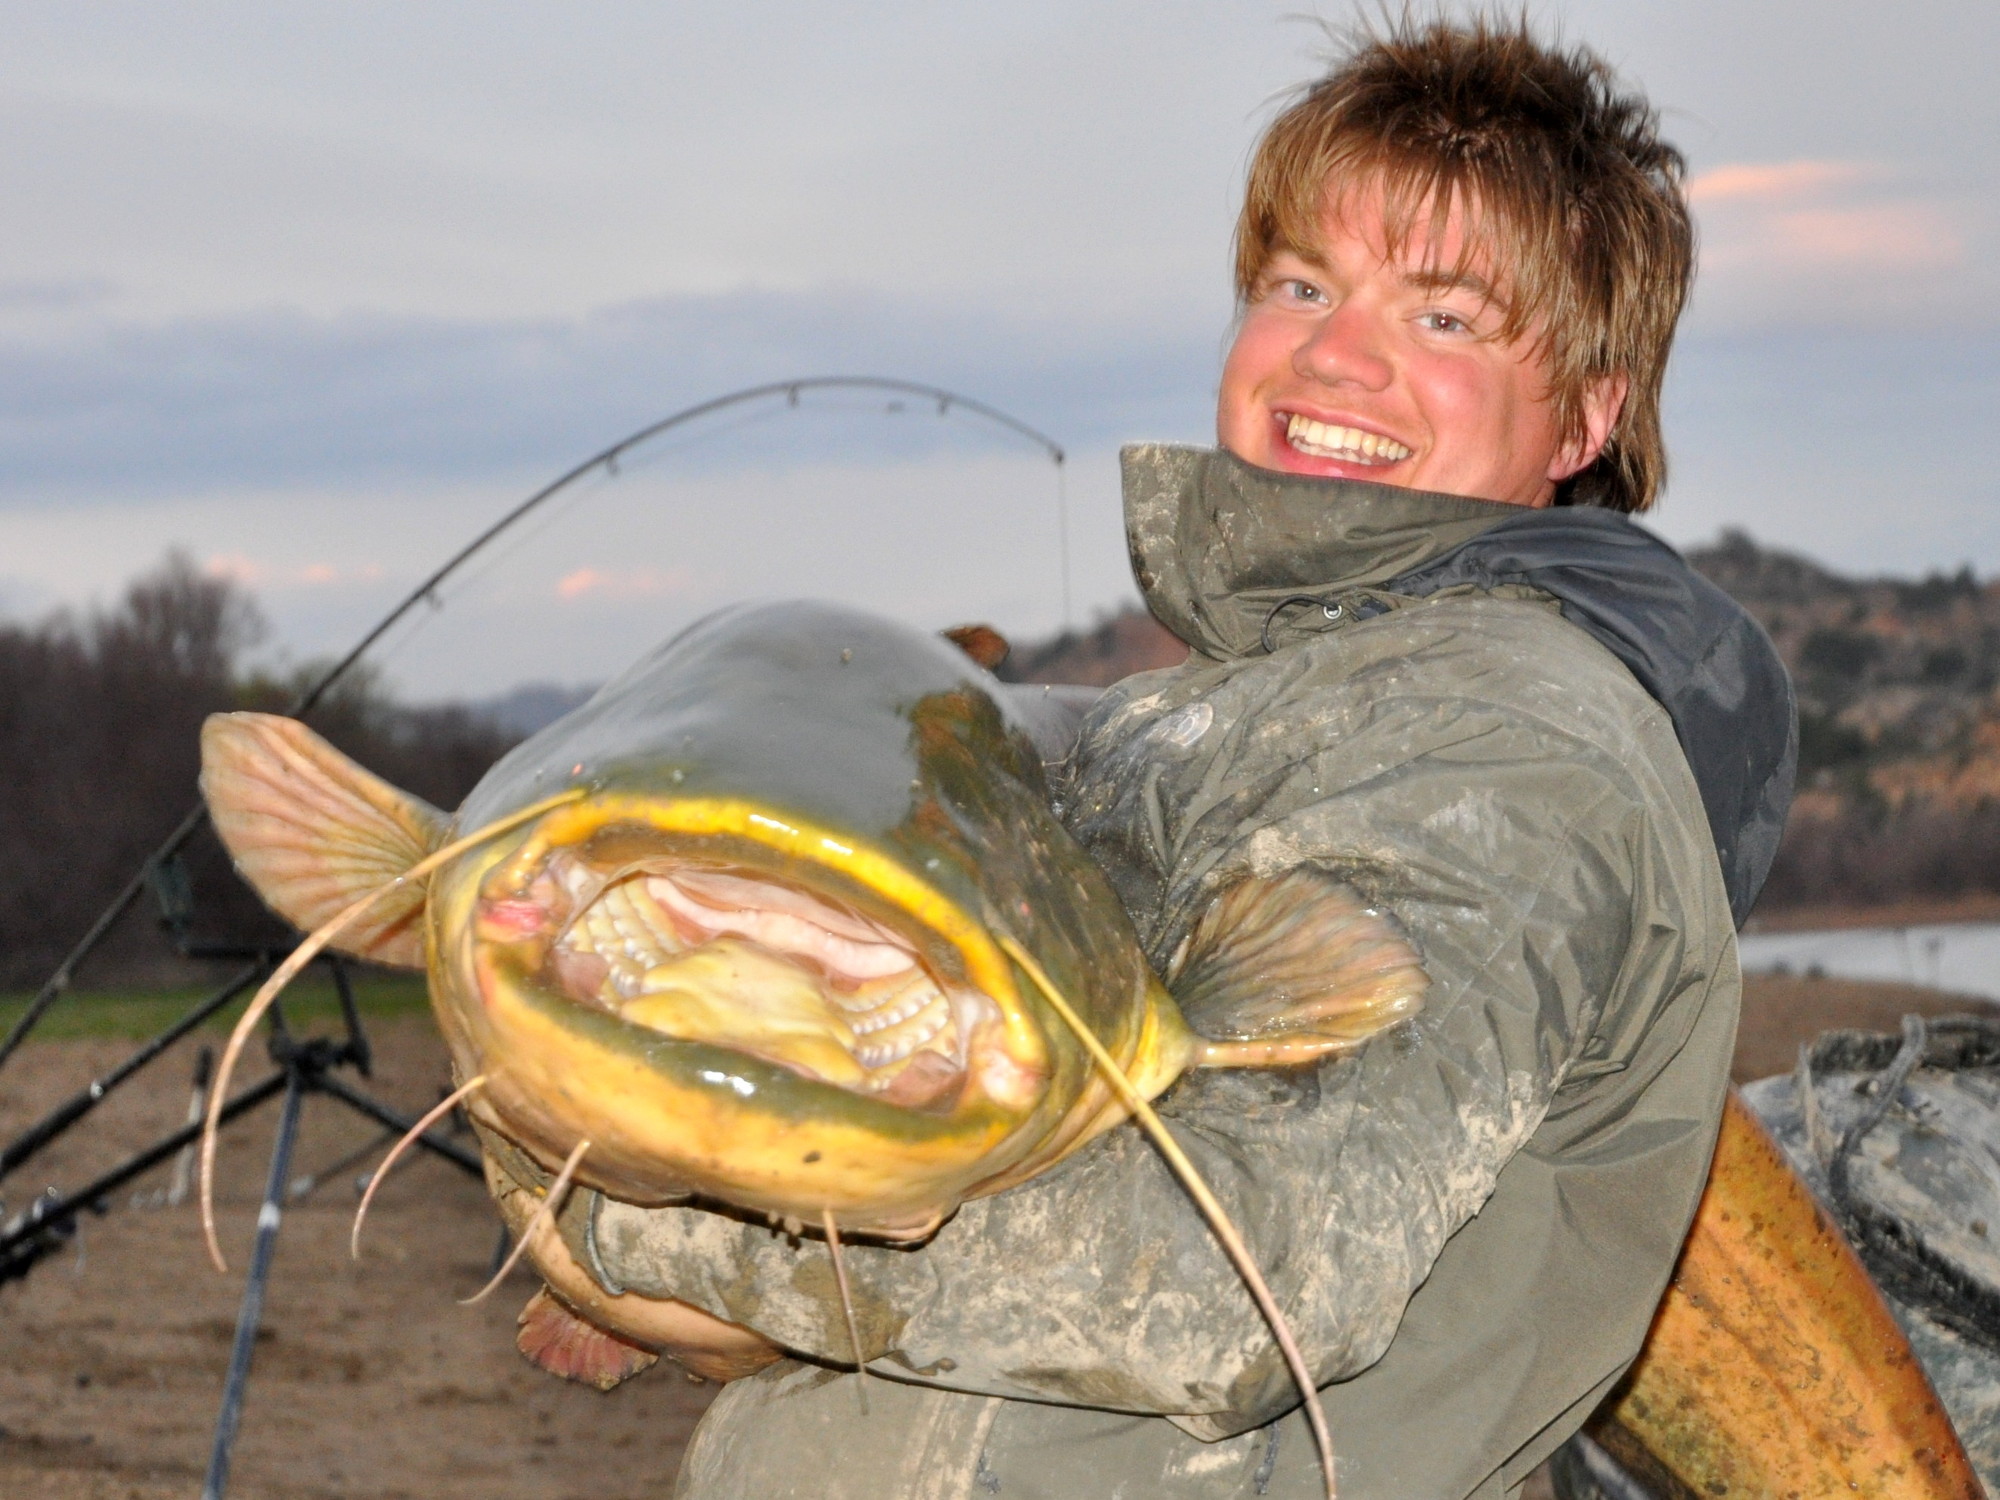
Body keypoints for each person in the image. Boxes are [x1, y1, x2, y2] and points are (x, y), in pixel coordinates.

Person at [564, 18, 1796, 1498]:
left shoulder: (1506, 741)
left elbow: (1241, 1274)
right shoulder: (1280, 709)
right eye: (1299, 284)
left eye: (1444, 318)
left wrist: (657, 1236)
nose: (1337, 353)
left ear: (1589, 415)